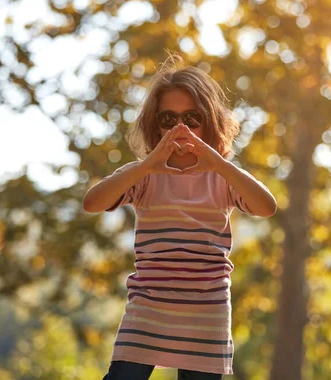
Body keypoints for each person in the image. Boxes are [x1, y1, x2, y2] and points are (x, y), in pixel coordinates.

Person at [83, 54, 277, 380]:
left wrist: (219, 163)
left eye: (192, 117)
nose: (181, 128)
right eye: (168, 119)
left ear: (211, 120)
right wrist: (146, 166)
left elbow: (266, 206)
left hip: (206, 314)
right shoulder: (143, 176)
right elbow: (92, 202)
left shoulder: (222, 177)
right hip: (148, 309)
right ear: (154, 126)